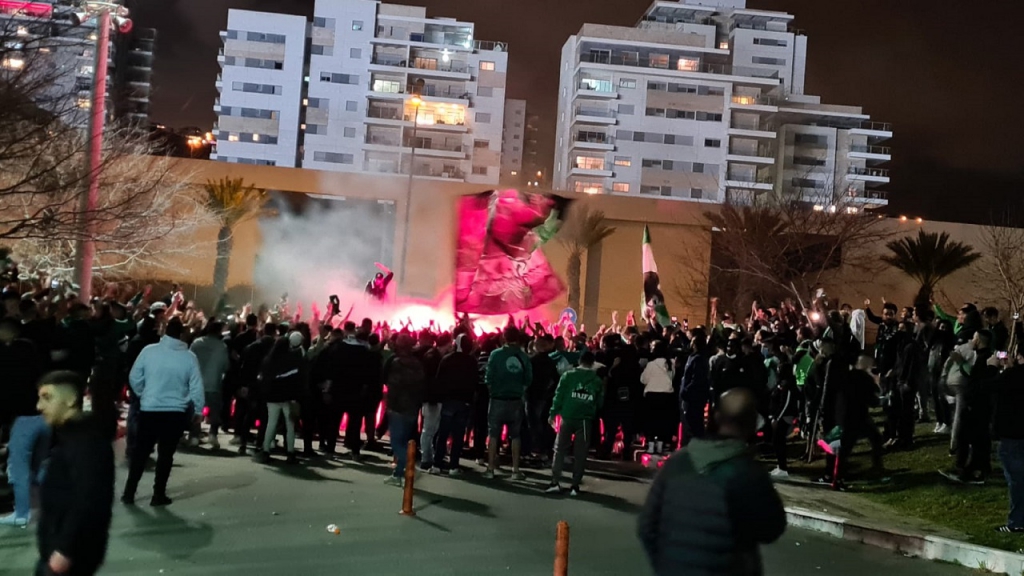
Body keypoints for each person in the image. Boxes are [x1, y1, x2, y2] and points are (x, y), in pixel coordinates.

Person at [637, 388, 786, 576]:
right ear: (750, 425)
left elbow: (647, 526)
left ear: (716, 416)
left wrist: (666, 565)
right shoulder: (748, 472)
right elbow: (772, 528)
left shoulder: (677, 462)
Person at [35, 371, 115, 576]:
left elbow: (90, 501)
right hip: (59, 550)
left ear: (71, 400)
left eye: (47, 398)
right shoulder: (67, 436)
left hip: (69, 556)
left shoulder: (87, 443)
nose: (39, 406)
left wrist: (65, 550)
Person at [123, 318, 205, 506]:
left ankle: (129, 492)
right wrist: (198, 410)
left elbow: (134, 376)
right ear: (182, 334)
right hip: (175, 412)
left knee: (140, 453)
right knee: (166, 455)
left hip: (150, 409)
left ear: (165, 331)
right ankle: (158, 494)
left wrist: (143, 393)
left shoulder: (149, 351)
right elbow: (196, 387)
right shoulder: (189, 357)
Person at [0, 317, 45, 527]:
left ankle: (21, 513)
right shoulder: (31, 349)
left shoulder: (9, 355)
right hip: (43, 415)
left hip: (23, 418)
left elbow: (9, 390)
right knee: (39, 465)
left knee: (18, 467)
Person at [546, 351, 605, 496]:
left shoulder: (568, 376)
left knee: (559, 450)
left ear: (579, 361)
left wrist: (553, 413)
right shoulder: (596, 380)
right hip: (585, 420)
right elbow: (600, 401)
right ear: (592, 363)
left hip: (567, 416)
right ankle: (574, 486)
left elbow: (559, 395)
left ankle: (555, 482)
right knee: (580, 453)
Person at [980, 354, 1024, 533]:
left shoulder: (1012, 375)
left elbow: (982, 387)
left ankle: (1017, 521)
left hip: (1012, 434)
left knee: (1017, 480)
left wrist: (990, 367)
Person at [484, 326, 532, 480]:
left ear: (503, 337)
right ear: (517, 338)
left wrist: (494, 390)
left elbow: (488, 377)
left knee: (493, 434)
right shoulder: (523, 357)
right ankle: (515, 470)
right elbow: (528, 379)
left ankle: (490, 469)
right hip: (516, 401)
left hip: (497, 399)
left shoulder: (495, 355)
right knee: (515, 436)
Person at [432, 333, 478, 475]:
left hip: (448, 401)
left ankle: (437, 464)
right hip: (464, 402)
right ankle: (454, 466)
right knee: (458, 435)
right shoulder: (472, 361)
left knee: (443, 433)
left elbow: (439, 380)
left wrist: (439, 398)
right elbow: (474, 382)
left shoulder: (447, 359)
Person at [383, 334, 425, 487]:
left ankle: (410, 466)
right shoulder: (417, 364)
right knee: (404, 441)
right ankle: (398, 474)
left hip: (398, 407)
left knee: (396, 443)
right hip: (412, 408)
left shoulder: (396, 362)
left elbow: (388, 380)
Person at [257, 336, 305, 464]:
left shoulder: (268, 360)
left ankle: (266, 450)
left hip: (272, 396)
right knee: (290, 426)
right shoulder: (291, 359)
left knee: (271, 424)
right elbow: (296, 379)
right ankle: (290, 452)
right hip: (288, 397)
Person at [189, 321, 230, 449]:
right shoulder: (222, 346)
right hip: (214, 383)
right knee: (215, 411)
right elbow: (226, 366)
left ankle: (194, 436)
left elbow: (188, 359)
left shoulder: (196, 343)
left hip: (197, 383)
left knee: (196, 410)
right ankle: (213, 434)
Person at [640, 341, 675, 453]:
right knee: (663, 421)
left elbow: (643, 379)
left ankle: (650, 445)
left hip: (652, 395)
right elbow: (672, 378)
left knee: (651, 421)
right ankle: (660, 445)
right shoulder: (671, 363)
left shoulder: (651, 364)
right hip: (666, 395)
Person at [679, 328, 711, 445]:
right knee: (689, 423)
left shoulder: (698, 359)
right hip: (691, 396)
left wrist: (686, 391)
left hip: (693, 398)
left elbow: (696, 378)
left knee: (692, 423)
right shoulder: (694, 357)